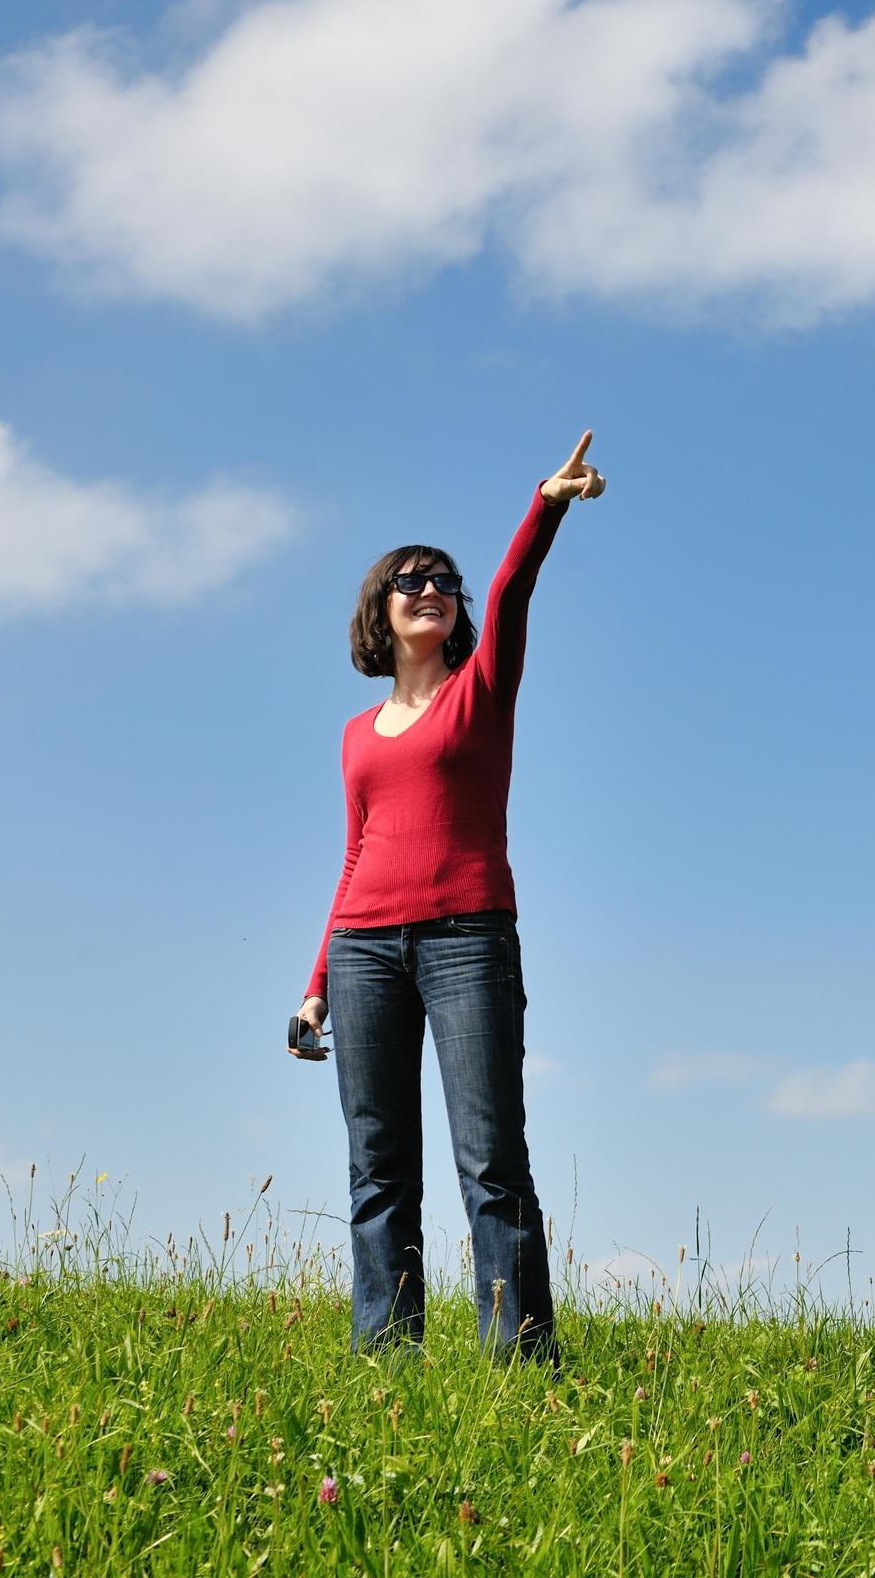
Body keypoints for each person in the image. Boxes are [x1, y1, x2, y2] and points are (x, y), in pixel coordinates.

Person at [289, 431, 606, 1363]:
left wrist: (544, 505)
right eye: (411, 581)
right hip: (363, 951)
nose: (432, 590)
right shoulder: (356, 735)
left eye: (445, 581)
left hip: (469, 939)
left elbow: (514, 592)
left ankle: (520, 1368)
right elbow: (352, 859)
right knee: (379, 1170)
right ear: (379, 613)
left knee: (491, 1160)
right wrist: (316, 983)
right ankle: (387, 1363)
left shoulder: (482, 692)